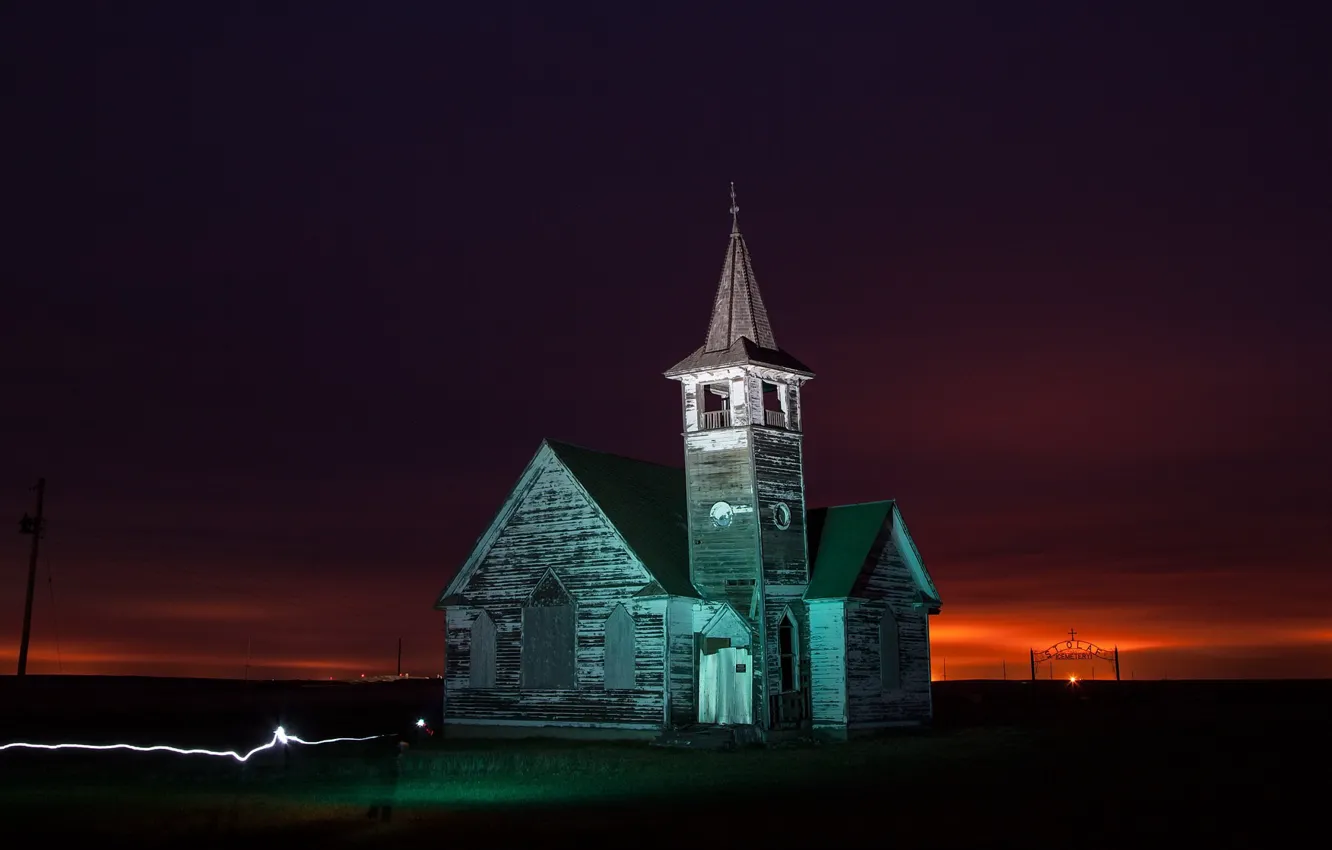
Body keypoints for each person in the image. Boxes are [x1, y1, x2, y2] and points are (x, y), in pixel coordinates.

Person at [365, 733, 409, 823]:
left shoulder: (386, 747)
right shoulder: (392, 748)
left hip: (387, 772)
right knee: (385, 794)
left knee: (381, 793)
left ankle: (376, 813)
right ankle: (381, 814)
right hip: (389, 772)